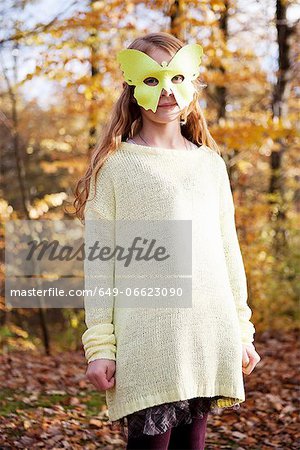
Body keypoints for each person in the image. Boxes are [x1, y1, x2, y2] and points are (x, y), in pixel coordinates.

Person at [74, 31, 261, 450]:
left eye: (176, 77)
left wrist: (242, 331)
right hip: (148, 343)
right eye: (152, 79)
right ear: (132, 88)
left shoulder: (210, 164)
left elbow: (228, 252)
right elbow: (100, 264)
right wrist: (100, 345)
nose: (166, 91)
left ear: (192, 83)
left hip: (206, 336)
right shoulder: (117, 167)